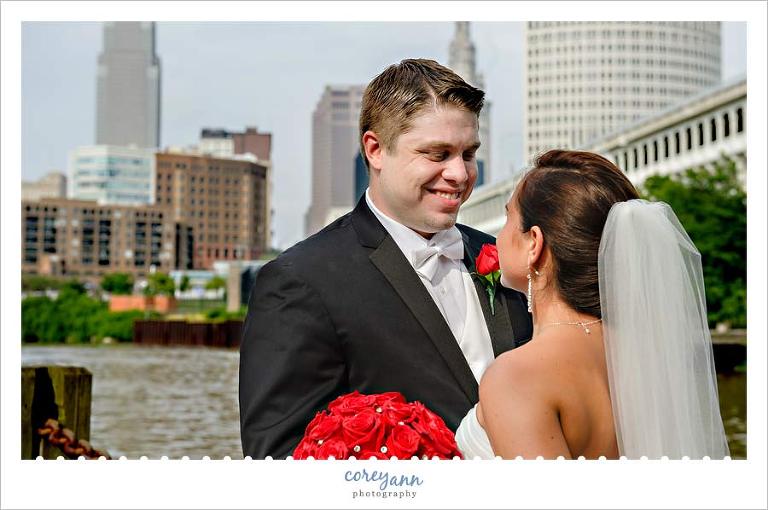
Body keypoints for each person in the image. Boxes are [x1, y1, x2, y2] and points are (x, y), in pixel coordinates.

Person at [239, 59, 532, 459]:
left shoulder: (508, 259)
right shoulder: (300, 281)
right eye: (437, 154)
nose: (460, 174)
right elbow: (276, 458)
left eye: (468, 154)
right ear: (375, 150)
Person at [455, 150, 730, 459]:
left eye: (508, 218)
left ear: (534, 242)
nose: (498, 237)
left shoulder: (517, 376)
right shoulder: (647, 356)